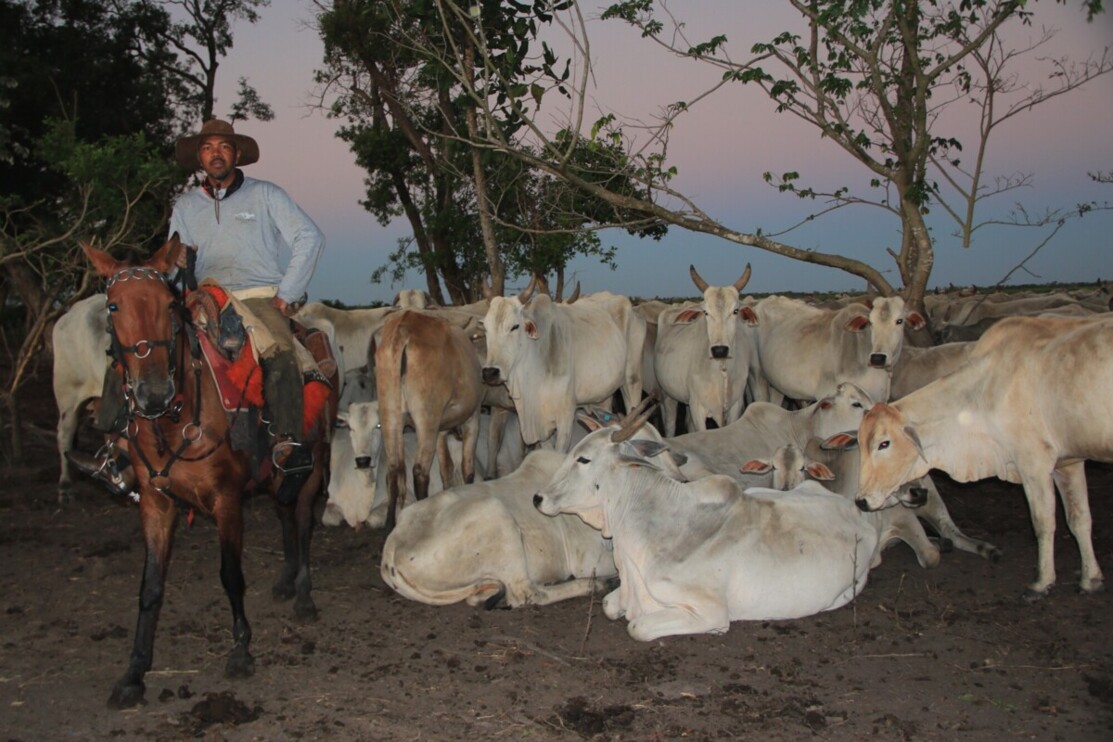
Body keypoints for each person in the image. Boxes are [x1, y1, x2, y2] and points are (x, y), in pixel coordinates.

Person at [72, 119, 326, 500]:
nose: (216, 154)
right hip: (202, 294)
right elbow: (174, 262)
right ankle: (116, 446)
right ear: (199, 158)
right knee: (135, 348)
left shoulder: (266, 195)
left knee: (281, 350)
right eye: (208, 148)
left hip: (255, 295)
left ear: (237, 154)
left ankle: (286, 445)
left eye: (224, 146)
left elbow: (310, 236)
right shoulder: (187, 206)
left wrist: (286, 293)